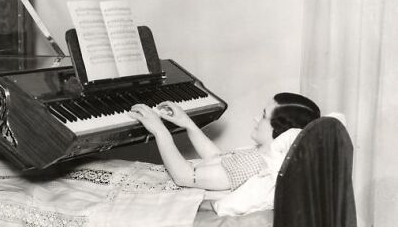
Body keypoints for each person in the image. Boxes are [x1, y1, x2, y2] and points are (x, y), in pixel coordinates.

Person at [128, 92, 321, 192]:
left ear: (280, 131)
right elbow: (216, 158)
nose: (256, 119)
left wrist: (159, 130)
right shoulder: (263, 155)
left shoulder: (256, 165)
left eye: (263, 116)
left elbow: (184, 177)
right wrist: (188, 124)